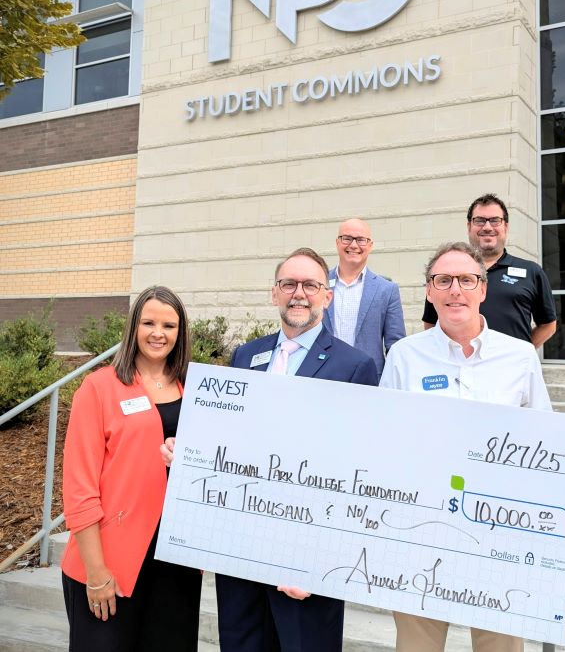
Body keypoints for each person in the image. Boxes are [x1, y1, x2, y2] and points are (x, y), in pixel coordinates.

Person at [381, 241, 565, 652]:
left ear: (483, 289)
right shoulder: (403, 357)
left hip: (499, 536)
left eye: (467, 280)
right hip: (421, 533)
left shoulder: (519, 357)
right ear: (429, 291)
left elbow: (544, 443)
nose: (455, 290)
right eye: (443, 280)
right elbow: (383, 443)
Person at [163, 248, 378, 652]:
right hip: (239, 549)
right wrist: (192, 450)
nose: (299, 293)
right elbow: (228, 437)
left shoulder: (355, 367)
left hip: (306, 559)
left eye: (310, 285)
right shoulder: (246, 356)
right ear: (274, 292)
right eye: (289, 284)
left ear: (327, 295)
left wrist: (323, 564)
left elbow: (360, 472)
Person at [61, 285, 201, 651]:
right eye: (149, 323)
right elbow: (79, 488)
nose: (158, 333)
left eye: (169, 325)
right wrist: (95, 572)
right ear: (133, 327)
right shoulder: (99, 388)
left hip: (176, 561)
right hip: (110, 560)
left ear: (180, 332)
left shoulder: (197, 391)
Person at [422, 194, 557, 348]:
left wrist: (521, 352)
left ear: (505, 226)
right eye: (479, 220)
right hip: (461, 361)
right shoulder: (446, 272)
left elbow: (548, 325)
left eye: (495, 220)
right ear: (469, 227)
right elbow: (431, 323)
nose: (487, 227)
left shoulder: (531, 271)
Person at [323, 217, 406, 375]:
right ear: (337, 242)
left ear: (370, 245)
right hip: (322, 376)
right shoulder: (318, 284)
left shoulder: (387, 290)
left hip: (368, 379)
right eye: (347, 238)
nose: (353, 245)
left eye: (361, 240)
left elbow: (396, 346)